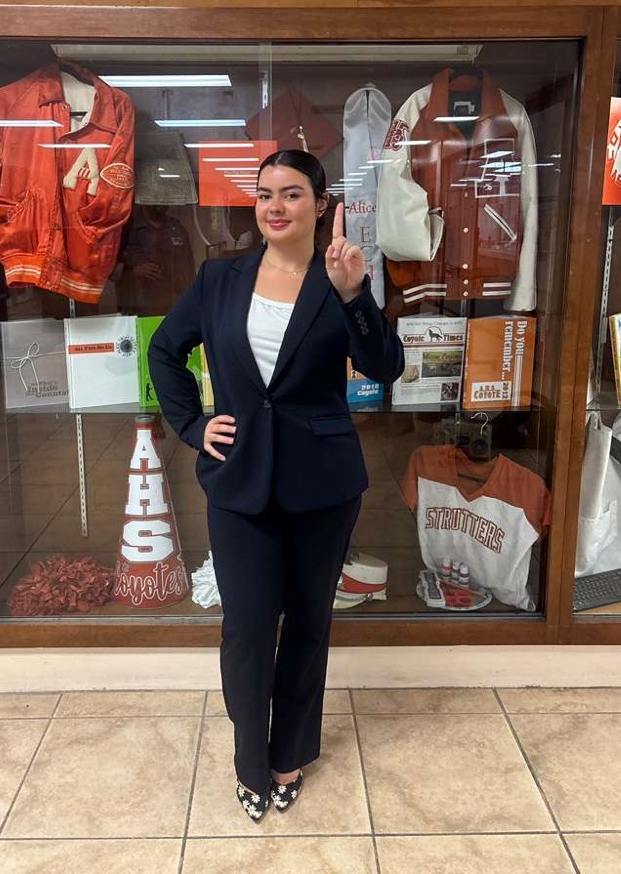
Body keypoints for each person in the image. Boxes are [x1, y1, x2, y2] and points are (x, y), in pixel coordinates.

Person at [149, 149, 403, 821]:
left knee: (308, 626)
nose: (274, 207)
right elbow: (165, 352)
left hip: (322, 484)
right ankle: (249, 760)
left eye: (292, 194)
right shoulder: (220, 279)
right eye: (264, 194)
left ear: (320, 205)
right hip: (239, 483)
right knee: (247, 629)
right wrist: (192, 425)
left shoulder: (338, 278)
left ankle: (290, 752)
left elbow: (385, 366)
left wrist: (356, 295)